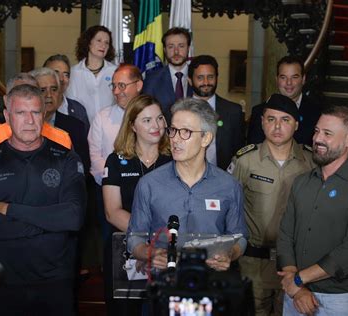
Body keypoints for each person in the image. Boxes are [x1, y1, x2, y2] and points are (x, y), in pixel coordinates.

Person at [0, 84, 86, 316]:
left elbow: (73, 218)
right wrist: (49, 222)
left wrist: (10, 209)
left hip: (55, 280)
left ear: (44, 115)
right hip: (1, 280)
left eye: (35, 112)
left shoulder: (66, 159)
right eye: (21, 113)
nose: (30, 120)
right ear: (7, 116)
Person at [277, 106, 348, 315]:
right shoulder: (301, 182)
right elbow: (286, 234)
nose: (317, 139)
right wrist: (296, 287)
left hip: (336, 302)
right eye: (316, 131)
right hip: (294, 296)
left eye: (327, 134)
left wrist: (299, 280)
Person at [127, 98, 248, 272]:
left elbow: (240, 237)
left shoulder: (228, 186)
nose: (175, 139)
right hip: (164, 285)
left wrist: (230, 253)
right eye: (173, 130)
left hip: (211, 284)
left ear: (206, 138)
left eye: (185, 132)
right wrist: (150, 252)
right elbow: (134, 237)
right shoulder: (149, 184)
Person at [228, 93, 315, 315]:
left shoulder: (311, 162)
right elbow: (228, 207)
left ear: (296, 124)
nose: (277, 126)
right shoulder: (245, 160)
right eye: (271, 119)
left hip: (298, 266)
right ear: (262, 122)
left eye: (285, 119)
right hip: (253, 264)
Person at [102, 95, 172, 315]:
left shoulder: (174, 160)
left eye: (160, 118)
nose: (156, 126)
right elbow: (112, 212)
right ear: (132, 125)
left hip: (164, 252)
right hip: (124, 252)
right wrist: (148, 238)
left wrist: (159, 243)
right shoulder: (116, 160)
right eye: (147, 120)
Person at [0, 73, 72, 173]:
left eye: (32, 93)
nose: (26, 99)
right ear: (6, 100)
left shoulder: (61, 139)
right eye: (18, 94)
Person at [88, 63, 143, 239]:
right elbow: (95, 158)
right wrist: (115, 181)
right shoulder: (102, 118)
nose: (117, 91)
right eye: (114, 86)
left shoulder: (152, 116)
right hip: (109, 194)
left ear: (138, 85)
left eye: (122, 85)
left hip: (144, 195)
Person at [247, 56, 322, 146]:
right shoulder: (259, 111)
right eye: (283, 77)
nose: (289, 83)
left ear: (303, 79)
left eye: (294, 77)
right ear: (277, 79)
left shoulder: (318, 112)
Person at [188, 54, 245, 169]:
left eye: (210, 77)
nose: (206, 82)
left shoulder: (234, 111)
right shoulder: (178, 111)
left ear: (217, 78)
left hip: (223, 179)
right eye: (200, 77)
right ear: (190, 80)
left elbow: (239, 153)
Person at [30, 67, 90, 173]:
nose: (49, 95)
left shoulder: (76, 127)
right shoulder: (22, 126)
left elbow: (83, 167)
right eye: (42, 90)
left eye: (54, 89)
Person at [66, 25, 117, 123]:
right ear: (88, 43)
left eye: (107, 42)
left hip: (110, 129)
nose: (103, 45)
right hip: (81, 129)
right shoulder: (74, 73)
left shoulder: (115, 71)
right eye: (99, 40)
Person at [142, 27, 193, 118]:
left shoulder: (197, 77)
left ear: (188, 48)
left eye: (181, 46)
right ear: (165, 50)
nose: (176, 51)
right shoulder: (152, 80)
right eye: (171, 47)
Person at [43, 54, 90, 131]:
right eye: (56, 73)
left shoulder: (78, 109)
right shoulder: (34, 106)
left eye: (66, 74)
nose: (61, 79)